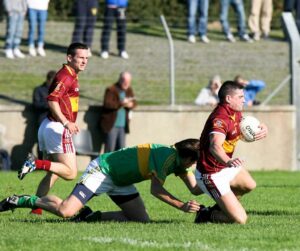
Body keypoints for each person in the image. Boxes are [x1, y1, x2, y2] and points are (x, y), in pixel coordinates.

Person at [0, 139, 202, 222]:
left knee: (141, 219)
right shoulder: (167, 158)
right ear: (187, 158)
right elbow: (156, 190)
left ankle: (89, 217)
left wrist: (222, 182)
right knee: (65, 211)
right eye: (194, 162)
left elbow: (194, 189)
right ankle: (20, 200)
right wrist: (181, 205)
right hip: (103, 171)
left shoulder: (180, 162)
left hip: (120, 181)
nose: (193, 167)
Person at [18, 42, 89, 215]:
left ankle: (36, 208)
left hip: (49, 127)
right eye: (81, 57)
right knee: (71, 173)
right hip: (57, 128)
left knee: (54, 172)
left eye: (86, 58)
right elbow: (52, 100)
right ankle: (35, 163)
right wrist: (66, 122)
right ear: (69, 57)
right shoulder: (66, 76)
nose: (84, 61)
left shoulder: (71, 74)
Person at [194, 81, 268, 224]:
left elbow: (245, 127)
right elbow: (215, 146)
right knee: (241, 220)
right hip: (211, 173)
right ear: (228, 99)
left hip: (224, 166)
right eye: (240, 97)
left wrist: (262, 128)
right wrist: (228, 161)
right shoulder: (220, 118)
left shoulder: (235, 113)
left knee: (248, 184)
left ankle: (220, 208)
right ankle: (206, 214)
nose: (244, 100)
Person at [100, 72, 136, 153]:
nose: (126, 84)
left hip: (123, 126)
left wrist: (131, 104)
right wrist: (121, 103)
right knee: (110, 150)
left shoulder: (128, 90)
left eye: (128, 82)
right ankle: (106, 166)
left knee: (121, 151)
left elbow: (134, 102)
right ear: (120, 80)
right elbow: (107, 104)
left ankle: (119, 166)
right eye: (124, 81)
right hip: (111, 125)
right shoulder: (111, 89)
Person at [32, 70, 56, 159]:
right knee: (42, 143)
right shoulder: (39, 90)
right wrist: (50, 104)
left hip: (55, 120)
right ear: (48, 80)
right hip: (42, 119)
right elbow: (36, 104)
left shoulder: (58, 90)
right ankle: (41, 162)